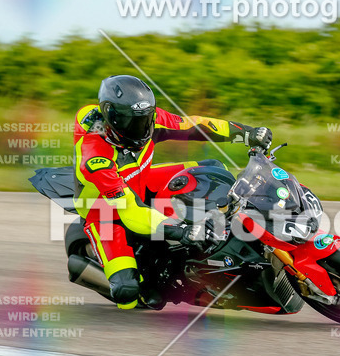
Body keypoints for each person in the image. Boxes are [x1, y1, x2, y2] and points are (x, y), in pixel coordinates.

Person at [74, 74, 271, 309]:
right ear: (111, 118)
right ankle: (135, 280)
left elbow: (195, 124)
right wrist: (182, 231)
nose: (143, 128)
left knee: (212, 169)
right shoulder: (96, 159)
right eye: (132, 123)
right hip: (107, 211)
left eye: (145, 119)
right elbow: (130, 211)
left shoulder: (151, 118)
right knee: (129, 294)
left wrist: (245, 133)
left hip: (142, 177)